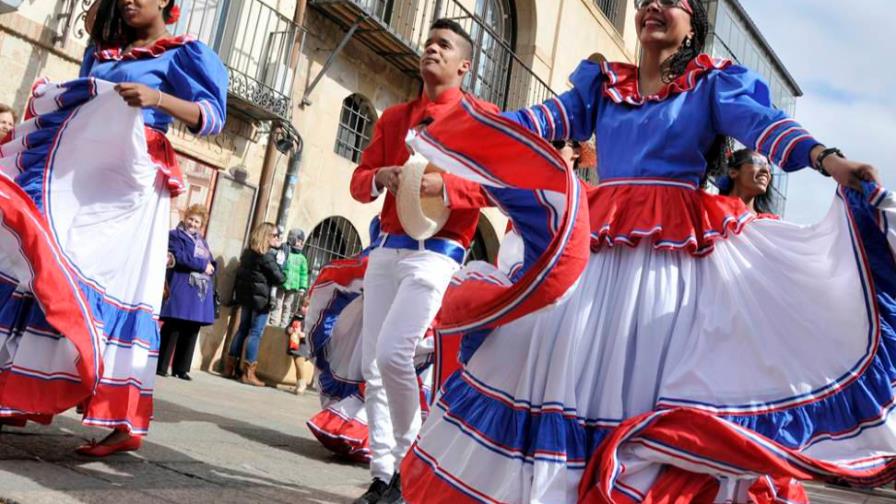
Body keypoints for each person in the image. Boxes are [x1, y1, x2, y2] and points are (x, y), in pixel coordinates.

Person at [399, 0, 890, 502]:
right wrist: (466, 138)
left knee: (644, 384)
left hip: (673, 259)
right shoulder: (604, 84)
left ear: (693, 24)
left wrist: (828, 160)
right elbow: (539, 121)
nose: (653, 6)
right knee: (564, 372)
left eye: (670, 0)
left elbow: (765, 125)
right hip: (597, 248)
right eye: (646, 0)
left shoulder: (711, 82)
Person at [0, 0, 227, 457]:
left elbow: (212, 117)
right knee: (48, 266)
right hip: (83, 173)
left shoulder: (184, 53)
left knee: (117, 287)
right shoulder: (105, 54)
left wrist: (157, 99)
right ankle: (21, 393)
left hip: (132, 184)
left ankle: (123, 419)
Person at [348, 18, 499, 504]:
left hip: (440, 250)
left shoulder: (481, 119)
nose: (432, 49)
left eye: (444, 45)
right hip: (388, 245)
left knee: (395, 353)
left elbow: (497, 185)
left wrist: (446, 188)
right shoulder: (394, 118)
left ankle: (411, 465)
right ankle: (382, 473)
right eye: (429, 42)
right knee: (373, 364)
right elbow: (358, 181)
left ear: (464, 64)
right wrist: (380, 176)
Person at [157, 204, 217, 380]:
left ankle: (181, 369)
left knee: (191, 329)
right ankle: (161, 366)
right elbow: (179, 256)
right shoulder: (174, 235)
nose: (193, 223)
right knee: (174, 326)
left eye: (197, 221)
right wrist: (202, 266)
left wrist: (212, 267)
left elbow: (209, 260)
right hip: (181, 286)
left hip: (198, 291)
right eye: (191, 219)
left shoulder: (202, 241)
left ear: (201, 224)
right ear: (185, 218)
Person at [227, 222, 284, 387]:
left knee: (242, 329)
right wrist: (280, 258)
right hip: (261, 300)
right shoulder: (266, 256)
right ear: (266, 236)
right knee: (255, 333)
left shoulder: (248, 253)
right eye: (274, 235)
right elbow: (280, 278)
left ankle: (230, 367)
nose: (277, 238)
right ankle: (248, 373)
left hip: (247, 297)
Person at [717, 148, 776, 216]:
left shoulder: (769, 223)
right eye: (757, 162)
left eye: (769, 168)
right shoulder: (709, 210)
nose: (766, 170)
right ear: (733, 172)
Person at [272, 228, 309, 326]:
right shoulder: (286, 251)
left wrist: (302, 287)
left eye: (302, 242)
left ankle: (283, 324)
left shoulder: (302, 258)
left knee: (287, 305)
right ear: (292, 240)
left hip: (293, 286)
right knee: (277, 303)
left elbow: (303, 274)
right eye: (299, 241)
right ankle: (273, 322)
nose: (301, 244)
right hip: (282, 283)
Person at [284, 295, 312, 395]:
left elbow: (313, 333)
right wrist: (289, 330)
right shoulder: (297, 316)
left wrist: (304, 335)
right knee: (297, 363)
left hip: (304, 345)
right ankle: (299, 382)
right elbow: (288, 327)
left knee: (299, 362)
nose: (304, 308)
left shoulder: (312, 319)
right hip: (294, 343)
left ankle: (302, 383)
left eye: (307, 306)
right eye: (303, 306)